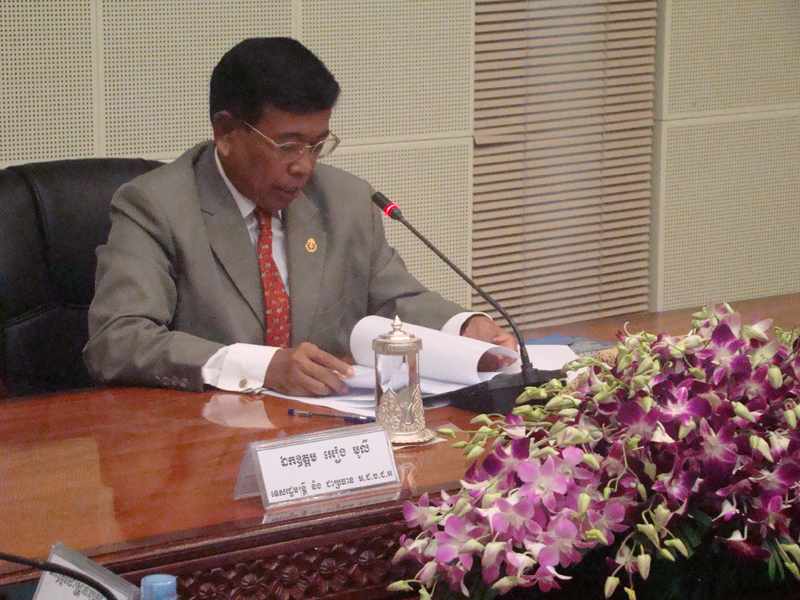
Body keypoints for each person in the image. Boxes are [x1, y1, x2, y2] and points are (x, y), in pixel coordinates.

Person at [84, 37, 514, 397]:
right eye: (287, 146)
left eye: (317, 145)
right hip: (205, 439)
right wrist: (263, 367)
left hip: (323, 425)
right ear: (226, 132)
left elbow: (394, 300)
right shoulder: (154, 205)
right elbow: (118, 340)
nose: (304, 166)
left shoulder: (345, 199)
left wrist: (463, 328)